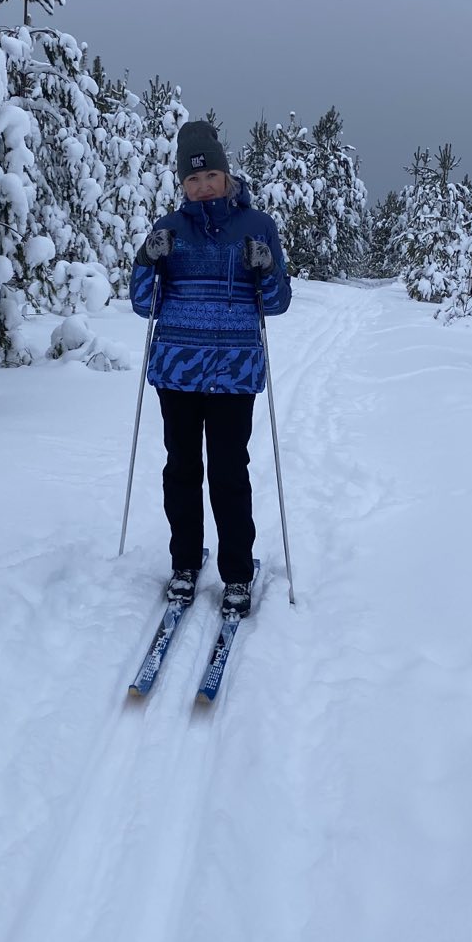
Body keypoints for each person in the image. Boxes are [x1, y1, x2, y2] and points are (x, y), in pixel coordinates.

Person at [130, 119, 292, 617]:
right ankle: (183, 564)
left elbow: (279, 301)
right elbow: (143, 304)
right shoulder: (168, 229)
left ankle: (237, 574)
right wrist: (145, 260)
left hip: (233, 372)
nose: (201, 187)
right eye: (191, 180)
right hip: (176, 370)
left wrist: (265, 268)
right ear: (182, 183)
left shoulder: (257, 225)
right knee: (181, 468)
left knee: (228, 472)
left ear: (226, 175)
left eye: (209, 177)